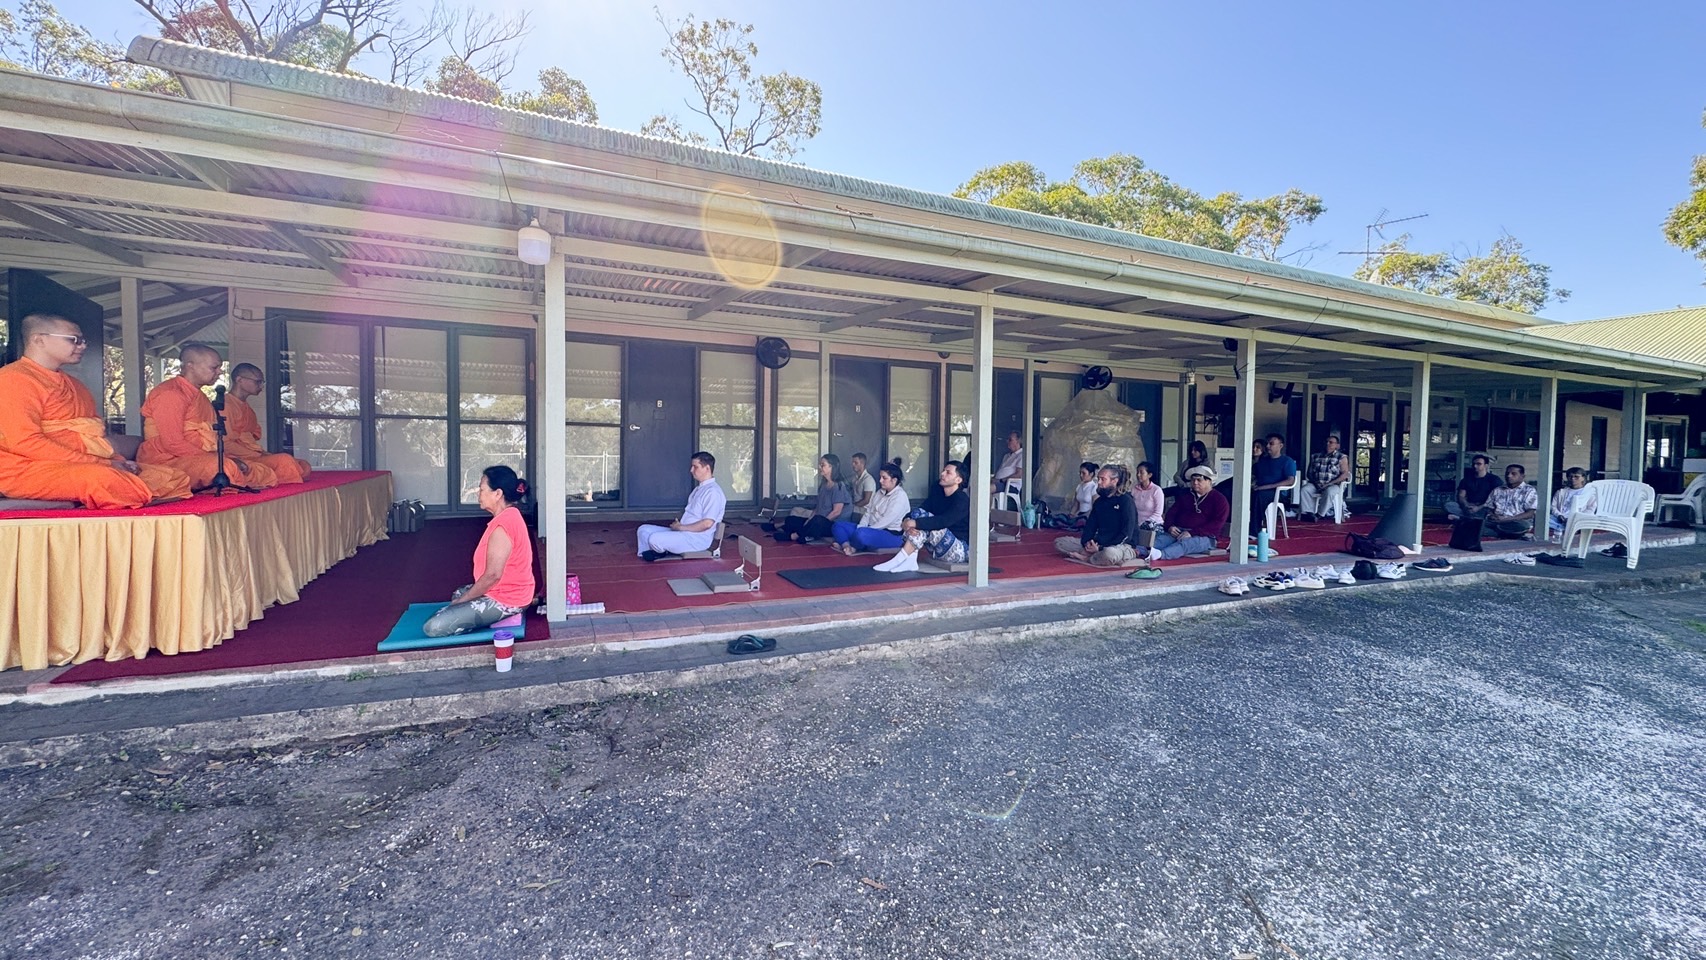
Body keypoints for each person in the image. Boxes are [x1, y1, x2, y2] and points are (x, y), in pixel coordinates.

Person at [0, 313, 191, 508]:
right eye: (74, 340)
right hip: (28, 468)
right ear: (39, 340)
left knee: (173, 478)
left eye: (82, 341)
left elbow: (96, 438)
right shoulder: (14, 379)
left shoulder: (75, 385)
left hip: (84, 465)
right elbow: (25, 442)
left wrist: (119, 461)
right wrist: (104, 464)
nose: (82, 346)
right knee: (107, 481)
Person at [138, 342, 278, 491]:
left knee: (258, 469)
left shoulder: (200, 397)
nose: (219, 372)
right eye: (214, 368)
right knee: (226, 468)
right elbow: (172, 443)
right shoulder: (171, 394)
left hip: (198, 457)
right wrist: (218, 459)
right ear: (191, 365)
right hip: (166, 460)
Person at [422, 465, 535, 637]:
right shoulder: (509, 515)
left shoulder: (503, 526)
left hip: (508, 598)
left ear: (497, 494)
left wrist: (462, 601)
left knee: (433, 627)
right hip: (504, 590)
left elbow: (492, 576)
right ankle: (503, 613)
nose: (478, 494)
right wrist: (462, 599)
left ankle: (510, 613)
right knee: (459, 592)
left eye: (482, 489)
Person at [875, 460, 972, 573]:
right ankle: (910, 561)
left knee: (924, 521)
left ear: (958, 480)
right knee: (918, 513)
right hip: (937, 548)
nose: (942, 474)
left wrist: (915, 523)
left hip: (958, 550)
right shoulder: (938, 495)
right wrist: (906, 520)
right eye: (943, 471)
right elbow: (920, 509)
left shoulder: (962, 500)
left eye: (948, 472)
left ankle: (899, 560)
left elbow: (944, 521)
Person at [225, 363, 311, 484]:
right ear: (239, 380)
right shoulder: (225, 405)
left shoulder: (247, 409)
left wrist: (263, 454)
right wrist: (255, 454)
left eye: (262, 382)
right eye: (257, 382)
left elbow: (251, 440)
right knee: (285, 460)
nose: (261, 386)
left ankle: (274, 478)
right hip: (236, 458)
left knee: (304, 465)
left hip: (254, 455)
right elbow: (225, 443)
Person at [637, 451, 726, 561]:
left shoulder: (713, 492)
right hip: (683, 532)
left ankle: (660, 551)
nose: (691, 470)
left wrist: (681, 527)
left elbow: (707, 524)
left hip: (697, 538)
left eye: (695, 467)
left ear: (707, 468)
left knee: (654, 539)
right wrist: (679, 526)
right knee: (643, 530)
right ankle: (651, 553)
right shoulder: (699, 489)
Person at [1136, 466, 1230, 562]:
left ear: (1209, 481)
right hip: (1179, 531)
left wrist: (1192, 533)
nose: (1195, 483)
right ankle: (1136, 551)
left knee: (1185, 544)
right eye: (1193, 480)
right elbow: (1171, 514)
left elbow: (1217, 524)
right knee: (1160, 541)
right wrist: (1170, 527)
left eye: (1199, 480)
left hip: (1205, 536)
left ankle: (1160, 555)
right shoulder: (1186, 495)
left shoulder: (1220, 500)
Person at [1054, 464, 1138, 566]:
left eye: (1103, 479)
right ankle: (1093, 556)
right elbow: (1090, 526)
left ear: (1114, 481)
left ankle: (1087, 558)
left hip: (1122, 546)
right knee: (1060, 543)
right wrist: (1087, 544)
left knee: (1108, 554)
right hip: (1098, 544)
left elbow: (1126, 534)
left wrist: (1101, 548)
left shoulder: (1126, 501)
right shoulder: (1099, 502)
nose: (1099, 482)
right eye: (1098, 479)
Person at [833, 462, 911, 555]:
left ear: (894, 480)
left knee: (861, 534)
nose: (880, 481)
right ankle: (846, 546)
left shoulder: (900, 496)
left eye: (884, 478)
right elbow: (868, 512)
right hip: (869, 528)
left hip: (890, 534)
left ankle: (853, 546)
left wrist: (866, 530)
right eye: (880, 477)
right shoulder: (879, 492)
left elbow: (886, 520)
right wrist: (861, 526)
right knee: (838, 525)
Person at [778, 453, 851, 543]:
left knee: (817, 521)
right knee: (791, 519)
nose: (820, 467)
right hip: (818, 520)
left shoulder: (838, 487)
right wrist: (809, 521)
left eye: (823, 465)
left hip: (833, 524)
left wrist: (818, 523)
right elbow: (817, 508)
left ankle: (794, 536)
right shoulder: (824, 486)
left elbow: (836, 512)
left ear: (831, 467)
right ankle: (803, 533)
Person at [1248, 434, 1297, 539]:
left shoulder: (1287, 461)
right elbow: (1254, 475)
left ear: (1280, 445)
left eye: (1271, 444)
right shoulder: (1263, 461)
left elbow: (1290, 480)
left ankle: (1254, 531)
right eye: (1267, 444)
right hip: (1259, 488)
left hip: (1277, 493)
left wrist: (1267, 487)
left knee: (1259, 496)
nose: (1268, 446)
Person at [1298, 434, 1350, 522]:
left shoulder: (1341, 457)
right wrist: (1315, 483)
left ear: (1337, 445)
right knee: (1305, 489)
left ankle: (1319, 514)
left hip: (1333, 484)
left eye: (1331, 442)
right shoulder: (1315, 456)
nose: (1328, 444)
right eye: (1326, 442)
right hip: (1316, 484)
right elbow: (1309, 473)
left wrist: (1329, 484)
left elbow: (1345, 474)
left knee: (1329, 492)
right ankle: (1308, 513)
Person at [1484, 463, 1538, 540]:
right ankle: (1506, 534)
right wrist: (1493, 515)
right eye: (1507, 473)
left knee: (1523, 526)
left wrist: (1507, 519)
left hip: (1516, 522)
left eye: (1513, 474)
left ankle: (1498, 533)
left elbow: (1530, 513)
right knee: (1476, 525)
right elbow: (1489, 508)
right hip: (1496, 521)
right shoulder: (1497, 490)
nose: (1509, 476)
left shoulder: (1529, 490)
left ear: (1522, 476)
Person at [1444, 454, 1499, 522]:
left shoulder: (1494, 480)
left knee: (1491, 512)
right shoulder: (1466, 479)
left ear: (1486, 465)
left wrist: (1478, 507)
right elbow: (1461, 495)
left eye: (1479, 464)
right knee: (1448, 505)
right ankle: (1471, 518)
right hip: (1469, 505)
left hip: (1484, 507)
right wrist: (1466, 505)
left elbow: (1496, 498)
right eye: (1474, 464)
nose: (1475, 466)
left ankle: (1462, 518)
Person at [1547, 467, 1596, 542]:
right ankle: (1565, 528)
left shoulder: (1589, 493)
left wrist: (1575, 518)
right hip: (1560, 518)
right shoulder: (1561, 492)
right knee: (1543, 519)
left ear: (1583, 478)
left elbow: (1591, 509)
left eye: (1576, 477)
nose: (1573, 479)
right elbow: (1553, 507)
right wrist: (1559, 515)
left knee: (1585, 521)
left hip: (1577, 518)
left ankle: (1564, 528)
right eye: (1570, 477)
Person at [1044, 462, 1098, 530]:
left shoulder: (1094, 488)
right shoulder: (1079, 486)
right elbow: (1076, 504)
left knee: (1081, 521)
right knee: (1060, 517)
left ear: (1091, 474)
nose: (1081, 475)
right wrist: (1071, 514)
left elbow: (1095, 507)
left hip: (1087, 516)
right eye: (1080, 473)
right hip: (1079, 515)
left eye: (1083, 473)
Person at [991, 430, 1023, 502]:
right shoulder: (1006, 456)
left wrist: (1002, 480)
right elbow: (1001, 470)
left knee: (986, 489)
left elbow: (1019, 474)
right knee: (978, 487)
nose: (1007, 442)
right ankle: (989, 511)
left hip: (1010, 485)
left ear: (1018, 441)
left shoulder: (1021, 455)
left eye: (1010, 440)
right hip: (999, 483)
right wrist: (993, 478)